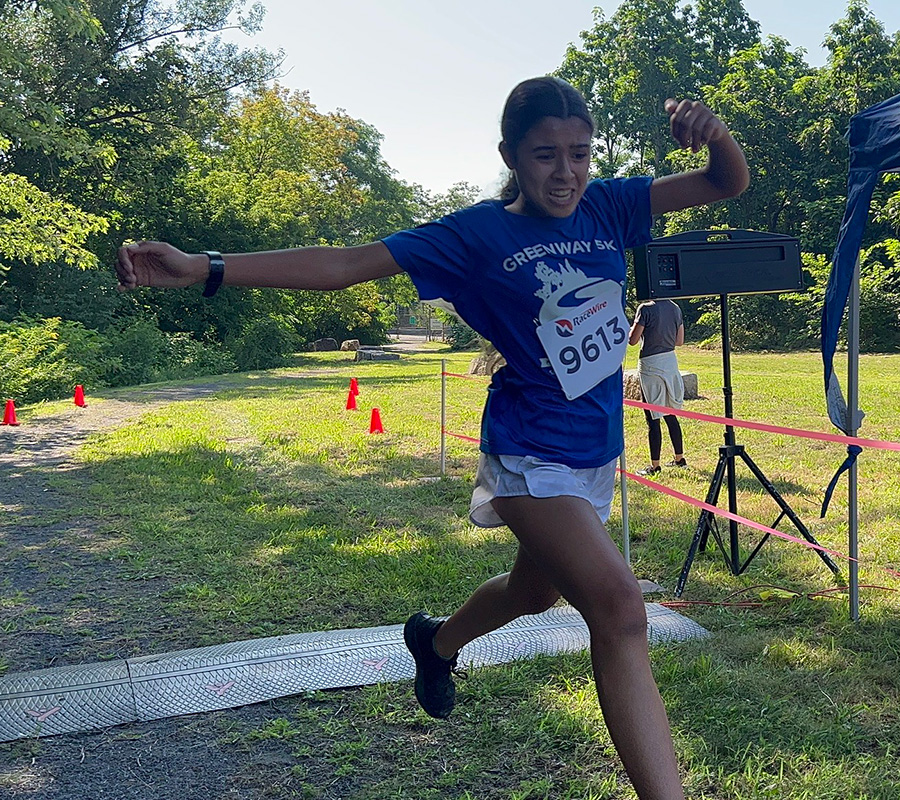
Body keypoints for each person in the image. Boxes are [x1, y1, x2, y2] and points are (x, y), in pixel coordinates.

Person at [115, 76, 749, 800]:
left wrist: (715, 130)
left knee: (533, 592)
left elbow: (724, 182)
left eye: (580, 153)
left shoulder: (609, 205)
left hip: (593, 451)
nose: (566, 173)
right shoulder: (475, 234)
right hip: (526, 453)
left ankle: (437, 640)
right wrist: (209, 268)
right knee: (618, 609)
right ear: (509, 154)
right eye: (545, 155)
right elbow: (346, 265)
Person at [629, 299, 687, 476]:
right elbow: (680, 341)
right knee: (670, 414)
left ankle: (654, 466)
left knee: (653, 417)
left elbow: (633, 340)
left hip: (650, 363)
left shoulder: (645, 309)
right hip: (670, 362)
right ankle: (679, 458)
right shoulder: (675, 307)